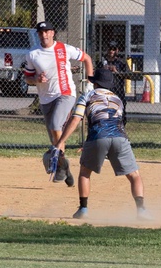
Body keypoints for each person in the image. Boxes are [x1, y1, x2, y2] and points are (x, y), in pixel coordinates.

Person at [53, 68, 151, 221]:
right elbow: (116, 122)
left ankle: (83, 209)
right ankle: (141, 210)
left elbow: (76, 119)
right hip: (120, 137)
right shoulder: (118, 99)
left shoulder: (88, 96)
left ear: (95, 83)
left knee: (85, 172)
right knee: (134, 175)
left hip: (98, 136)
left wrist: (61, 141)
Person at [20, 20, 95, 186]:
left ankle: (61, 167)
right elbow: (28, 77)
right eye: (41, 32)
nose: (44, 35)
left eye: (47, 31)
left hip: (65, 93)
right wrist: (35, 79)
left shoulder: (64, 48)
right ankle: (64, 168)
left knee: (55, 126)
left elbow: (87, 59)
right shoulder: (33, 54)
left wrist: (90, 84)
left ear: (53, 33)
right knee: (55, 139)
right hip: (45, 99)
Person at [95, 41, 130, 110]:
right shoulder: (102, 62)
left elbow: (128, 75)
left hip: (118, 90)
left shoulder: (121, 62)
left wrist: (116, 71)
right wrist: (103, 70)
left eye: (113, 49)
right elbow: (96, 75)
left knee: (120, 111)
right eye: (110, 49)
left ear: (117, 50)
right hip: (105, 91)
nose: (111, 51)